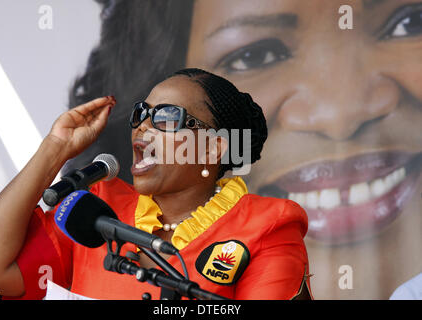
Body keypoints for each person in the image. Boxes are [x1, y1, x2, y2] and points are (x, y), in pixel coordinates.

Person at [66, 0, 422, 299]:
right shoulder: (98, 214)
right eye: (255, 55)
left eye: (409, 23)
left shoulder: (275, 224)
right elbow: (8, 270)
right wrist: (53, 151)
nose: (340, 114)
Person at [0, 68, 312, 300]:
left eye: (165, 117)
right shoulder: (97, 211)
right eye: (142, 114)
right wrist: (55, 150)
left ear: (213, 146)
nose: (143, 127)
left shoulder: (268, 226)